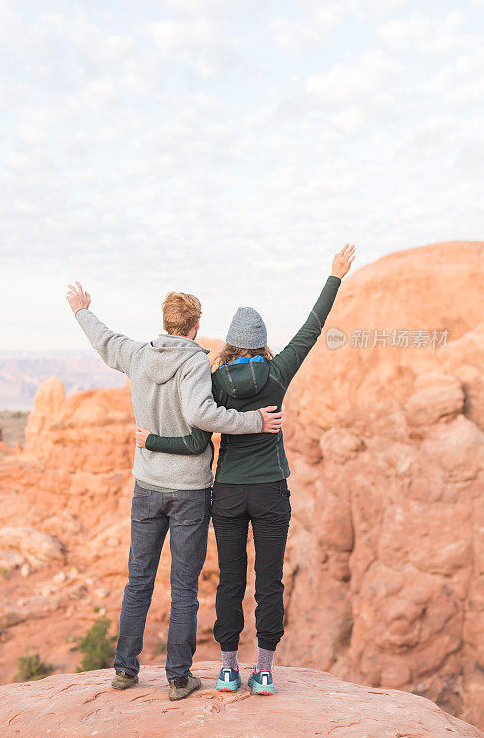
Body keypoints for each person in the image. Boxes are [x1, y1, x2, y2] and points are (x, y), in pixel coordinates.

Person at [136, 243, 356, 695]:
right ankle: (266, 672)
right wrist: (334, 276)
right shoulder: (278, 373)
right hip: (272, 490)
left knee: (231, 581)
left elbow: (198, 436)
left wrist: (153, 440)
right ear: (262, 342)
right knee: (269, 580)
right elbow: (311, 329)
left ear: (230, 343)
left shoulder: (213, 381)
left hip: (229, 493)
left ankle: (228, 670)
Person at [65, 284, 282, 701]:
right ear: (195, 326)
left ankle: (125, 671)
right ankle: (178, 679)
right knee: (183, 586)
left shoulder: (138, 354)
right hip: (189, 491)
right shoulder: (195, 362)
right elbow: (202, 414)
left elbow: (105, 341)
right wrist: (255, 421)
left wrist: (82, 310)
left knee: (138, 580)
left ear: (165, 322)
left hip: (147, 486)